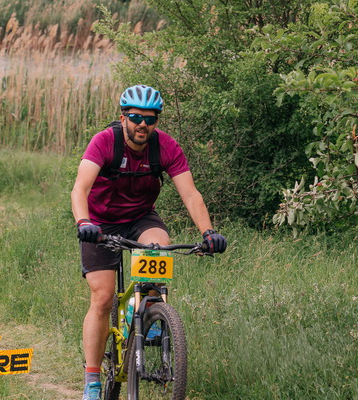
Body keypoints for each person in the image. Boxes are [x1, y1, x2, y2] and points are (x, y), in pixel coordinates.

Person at [71, 84, 227, 400]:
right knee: (102, 297)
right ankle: (92, 381)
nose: (143, 124)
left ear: (156, 121)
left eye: (150, 118)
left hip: (141, 217)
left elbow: (190, 194)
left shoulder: (165, 147)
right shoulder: (105, 142)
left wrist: (208, 232)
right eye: (136, 117)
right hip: (99, 222)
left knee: (158, 248)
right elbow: (80, 188)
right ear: (123, 118)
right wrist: (84, 222)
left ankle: (148, 311)